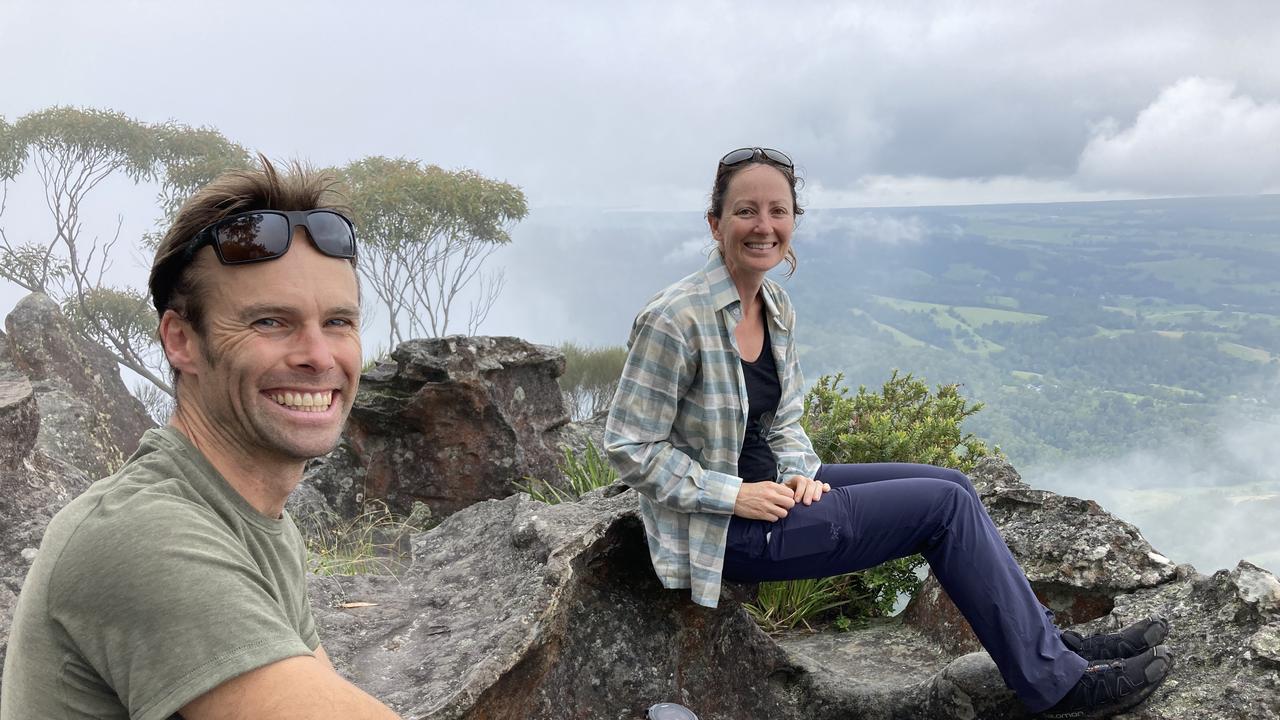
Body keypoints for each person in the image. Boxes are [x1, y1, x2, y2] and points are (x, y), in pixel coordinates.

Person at [604, 147, 1173, 719]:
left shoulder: (774, 305)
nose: (764, 226)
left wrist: (800, 473)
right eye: (746, 211)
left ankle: (1050, 647)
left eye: (778, 210)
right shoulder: (675, 318)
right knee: (943, 507)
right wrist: (737, 495)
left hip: (778, 492)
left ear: (793, 220)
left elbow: (784, 421)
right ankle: (1059, 690)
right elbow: (630, 446)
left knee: (954, 483)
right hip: (728, 530)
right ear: (715, 222)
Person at [0, 159, 401, 719]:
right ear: (182, 340)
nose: (318, 355)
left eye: (338, 322)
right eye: (270, 322)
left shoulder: (255, 520)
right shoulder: (141, 534)